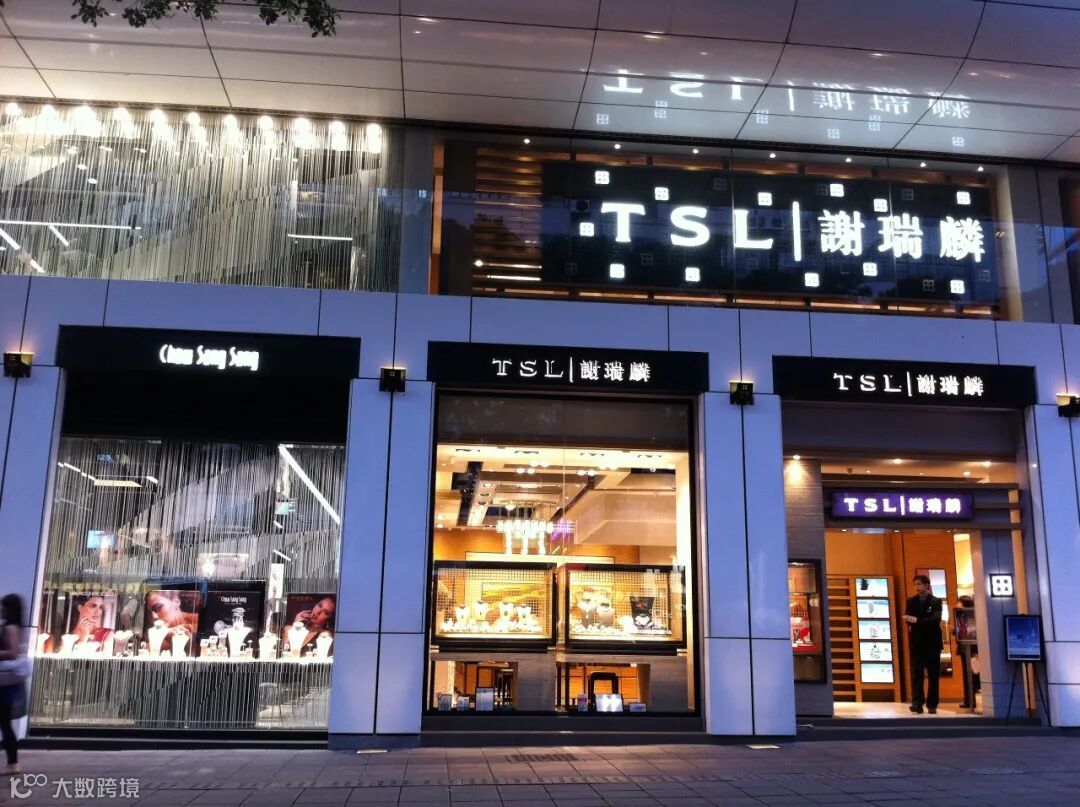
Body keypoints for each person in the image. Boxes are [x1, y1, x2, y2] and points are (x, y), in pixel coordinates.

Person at [904, 574, 943, 714]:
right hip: (917, 642)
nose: (917, 587)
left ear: (927, 585)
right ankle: (917, 703)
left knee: (933, 674)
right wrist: (917, 621)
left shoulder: (936, 601)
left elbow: (936, 619)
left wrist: (917, 621)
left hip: (933, 642)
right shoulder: (911, 601)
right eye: (915, 584)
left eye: (919, 584)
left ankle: (932, 704)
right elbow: (908, 619)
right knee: (917, 674)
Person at [0, 594, 26, 774]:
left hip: (4, 683)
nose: (1, 610)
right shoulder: (14, 626)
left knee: (5, 723)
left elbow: (13, 653)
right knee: (5, 722)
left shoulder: (10, 628)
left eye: (3, 607)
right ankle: (12, 762)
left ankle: (13, 762)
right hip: (6, 683)